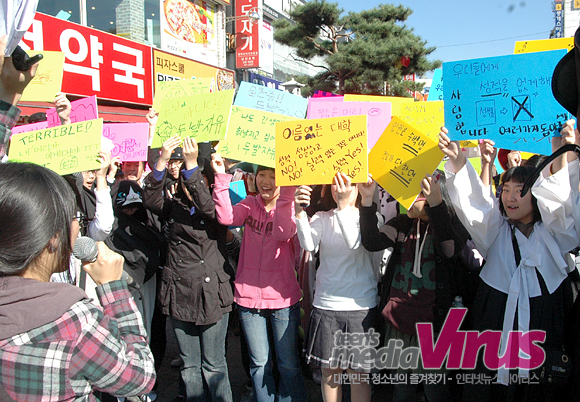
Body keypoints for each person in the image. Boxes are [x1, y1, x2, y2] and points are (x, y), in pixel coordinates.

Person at [439, 126, 579, 401]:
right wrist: (457, 160)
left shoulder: (553, 235)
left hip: (543, 321)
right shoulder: (497, 230)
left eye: (521, 190)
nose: (510, 197)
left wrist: (561, 151)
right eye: (506, 189)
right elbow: (476, 205)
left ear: (537, 195)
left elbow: (561, 206)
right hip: (495, 317)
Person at [0, 162, 156, 401]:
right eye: (75, 217)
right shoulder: (74, 323)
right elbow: (139, 377)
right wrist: (115, 291)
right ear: (52, 237)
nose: (78, 225)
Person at [357, 170, 475, 402]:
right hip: (400, 321)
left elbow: (449, 249)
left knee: (435, 390)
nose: (407, 198)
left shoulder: (452, 226)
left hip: (436, 328)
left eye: (416, 192)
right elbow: (371, 242)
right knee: (402, 388)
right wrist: (367, 200)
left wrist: (437, 207)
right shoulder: (402, 224)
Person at [142, 136, 234, 402]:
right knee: (189, 366)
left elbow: (209, 209)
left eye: (198, 179)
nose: (192, 184)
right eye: (186, 177)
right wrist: (160, 161)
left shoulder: (221, 205)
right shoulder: (175, 205)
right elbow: (150, 200)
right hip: (180, 289)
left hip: (212, 292)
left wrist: (193, 165)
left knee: (214, 364)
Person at [211, 155, 307, 402]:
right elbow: (225, 218)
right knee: (259, 363)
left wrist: (288, 190)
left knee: (287, 363)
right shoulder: (249, 203)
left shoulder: (289, 206)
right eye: (262, 174)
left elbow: (283, 231)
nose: (266, 181)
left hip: (283, 299)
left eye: (274, 175)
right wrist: (222, 177)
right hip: (248, 298)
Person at [294, 172, 377, 402]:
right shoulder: (321, 216)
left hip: (360, 307)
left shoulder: (371, 217)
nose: (338, 186)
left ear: (360, 185)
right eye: (334, 181)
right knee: (330, 374)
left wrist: (342, 207)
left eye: (347, 181)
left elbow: (354, 242)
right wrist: (299, 213)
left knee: (358, 376)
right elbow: (308, 244)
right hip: (326, 305)